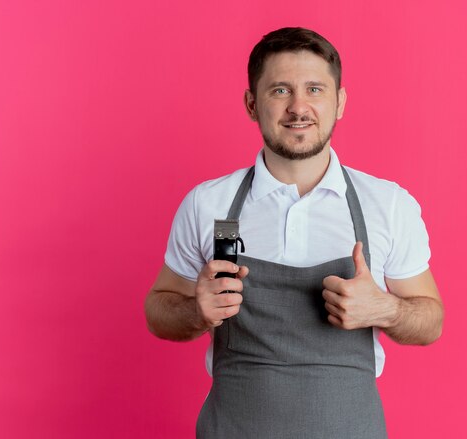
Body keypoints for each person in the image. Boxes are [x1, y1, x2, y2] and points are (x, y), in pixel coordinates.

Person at [145, 27, 444, 439]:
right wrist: (196, 312)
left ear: (339, 102)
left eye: (315, 89)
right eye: (280, 91)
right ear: (252, 104)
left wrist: (386, 310)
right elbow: (158, 311)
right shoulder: (210, 204)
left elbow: (431, 319)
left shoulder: (387, 204)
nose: (299, 107)